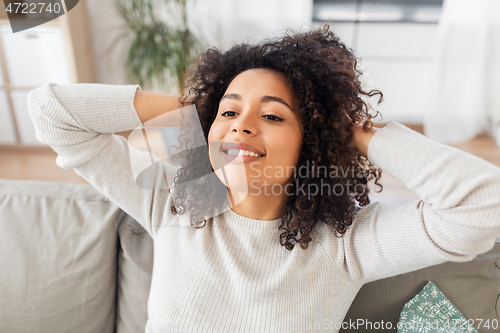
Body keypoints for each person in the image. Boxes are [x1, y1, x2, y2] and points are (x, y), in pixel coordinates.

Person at [27, 24, 500, 332]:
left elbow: (483, 205)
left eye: (272, 117)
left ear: (311, 141)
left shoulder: (345, 245)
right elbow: (52, 113)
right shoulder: (177, 202)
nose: (241, 125)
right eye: (229, 111)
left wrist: (351, 128)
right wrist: (193, 107)